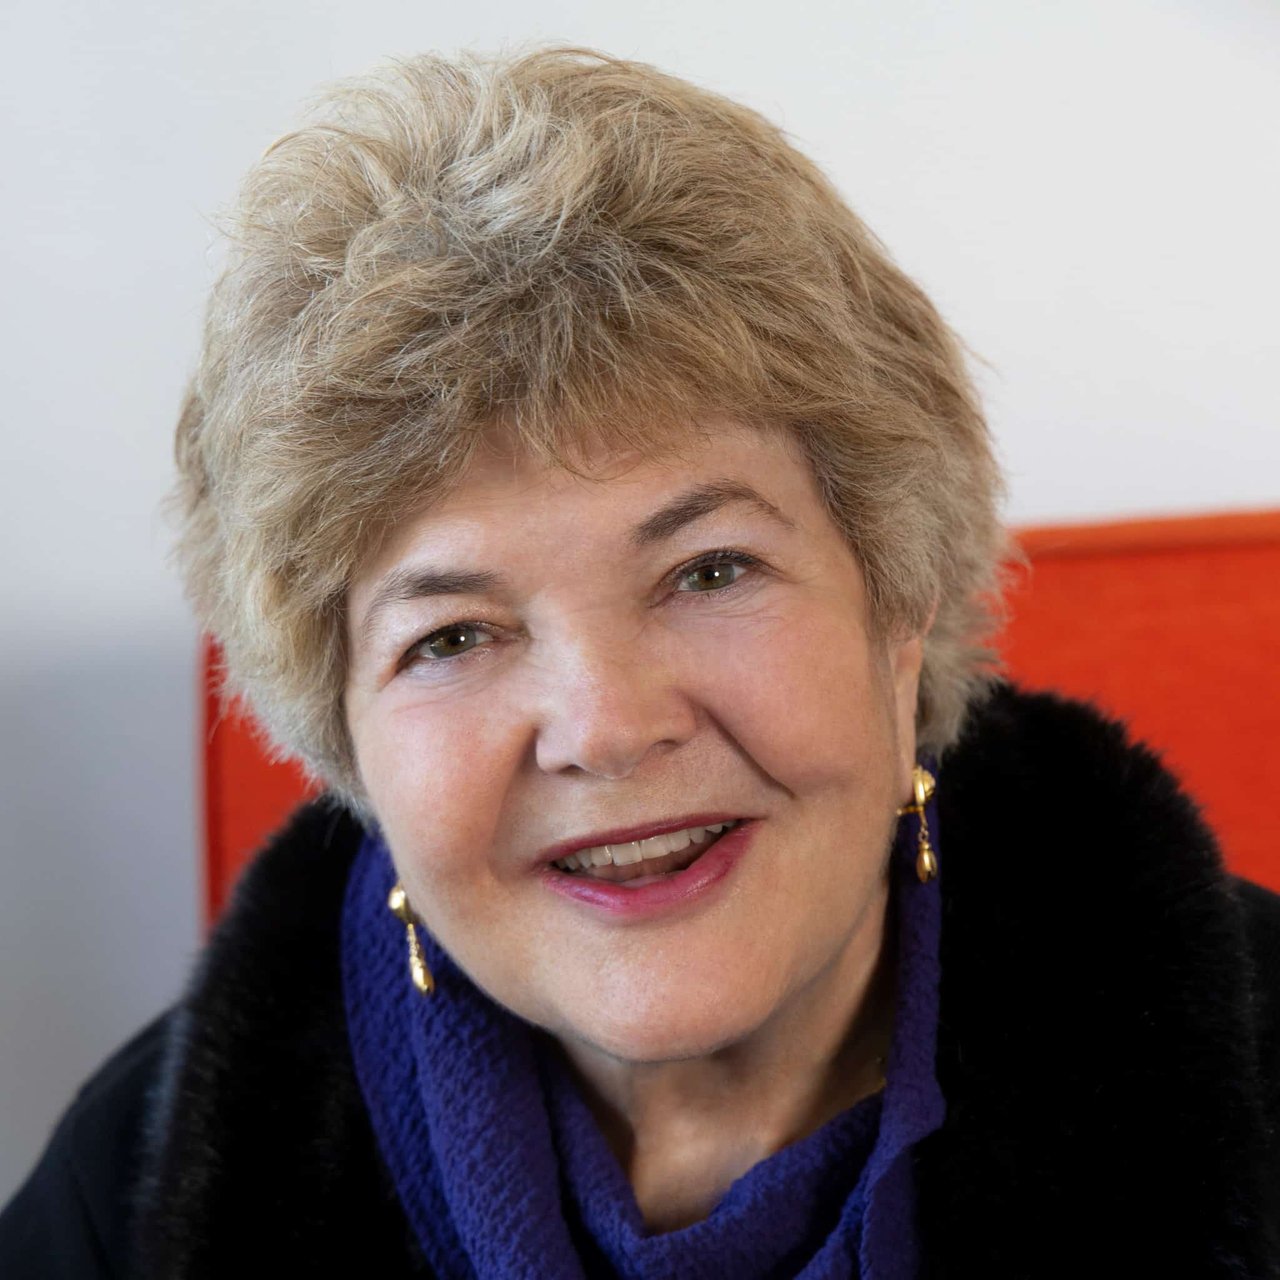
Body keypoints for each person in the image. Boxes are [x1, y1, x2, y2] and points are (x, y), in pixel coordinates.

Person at [2, 46, 1277, 1280]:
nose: (604, 726)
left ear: (898, 603)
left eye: (708, 570)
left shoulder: (1250, 1069)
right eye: (452, 635)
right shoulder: (140, 1190)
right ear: (345, 739)